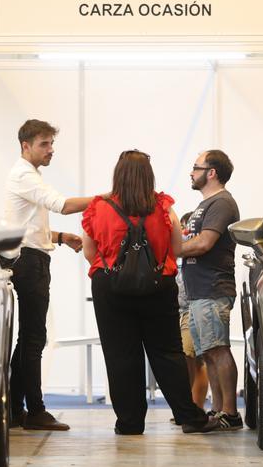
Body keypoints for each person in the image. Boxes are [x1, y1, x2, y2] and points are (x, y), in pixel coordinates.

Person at [81, 150, 214, 435]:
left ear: (118, 174)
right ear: (148, 176)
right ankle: (188, 416)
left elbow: (89, 252)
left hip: (110, 289)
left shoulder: (98, 207)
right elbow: (177, 248)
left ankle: (129, 422)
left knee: (120, 355)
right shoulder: (163, 206)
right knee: (167, 353)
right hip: (158, 287)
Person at [0, 119, 94, 431]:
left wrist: (61, 237)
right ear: (25, 146)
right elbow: (63, 205)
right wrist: (107, 198)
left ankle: (15, 411)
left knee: (27, 339)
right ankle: (35, 411)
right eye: (44, 144)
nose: (50, 150)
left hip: (30, 258)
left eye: (51, 144)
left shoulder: (28, 176)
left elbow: (25, 228)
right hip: (29, 264)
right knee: (34, 339)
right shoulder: (24, 175)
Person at [178, 149, 242, 431]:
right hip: (198, 292)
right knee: (209, 353)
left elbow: (204, 243)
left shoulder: (222, 203)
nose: (191, 172)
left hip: (212, 287)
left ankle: (230, 412)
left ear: (211, 172)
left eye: (196, 167)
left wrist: (169, 250)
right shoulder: (205, 205)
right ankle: (218, 411)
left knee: (218, 350)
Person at [178, 211, 209, 410]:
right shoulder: (180, 255)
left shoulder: (197, 254)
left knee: (191, 358)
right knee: (192, 360)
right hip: (180, 311)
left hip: (192, 308)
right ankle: (192, 406)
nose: (182, 231)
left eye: (186, 227)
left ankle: (193, 407)